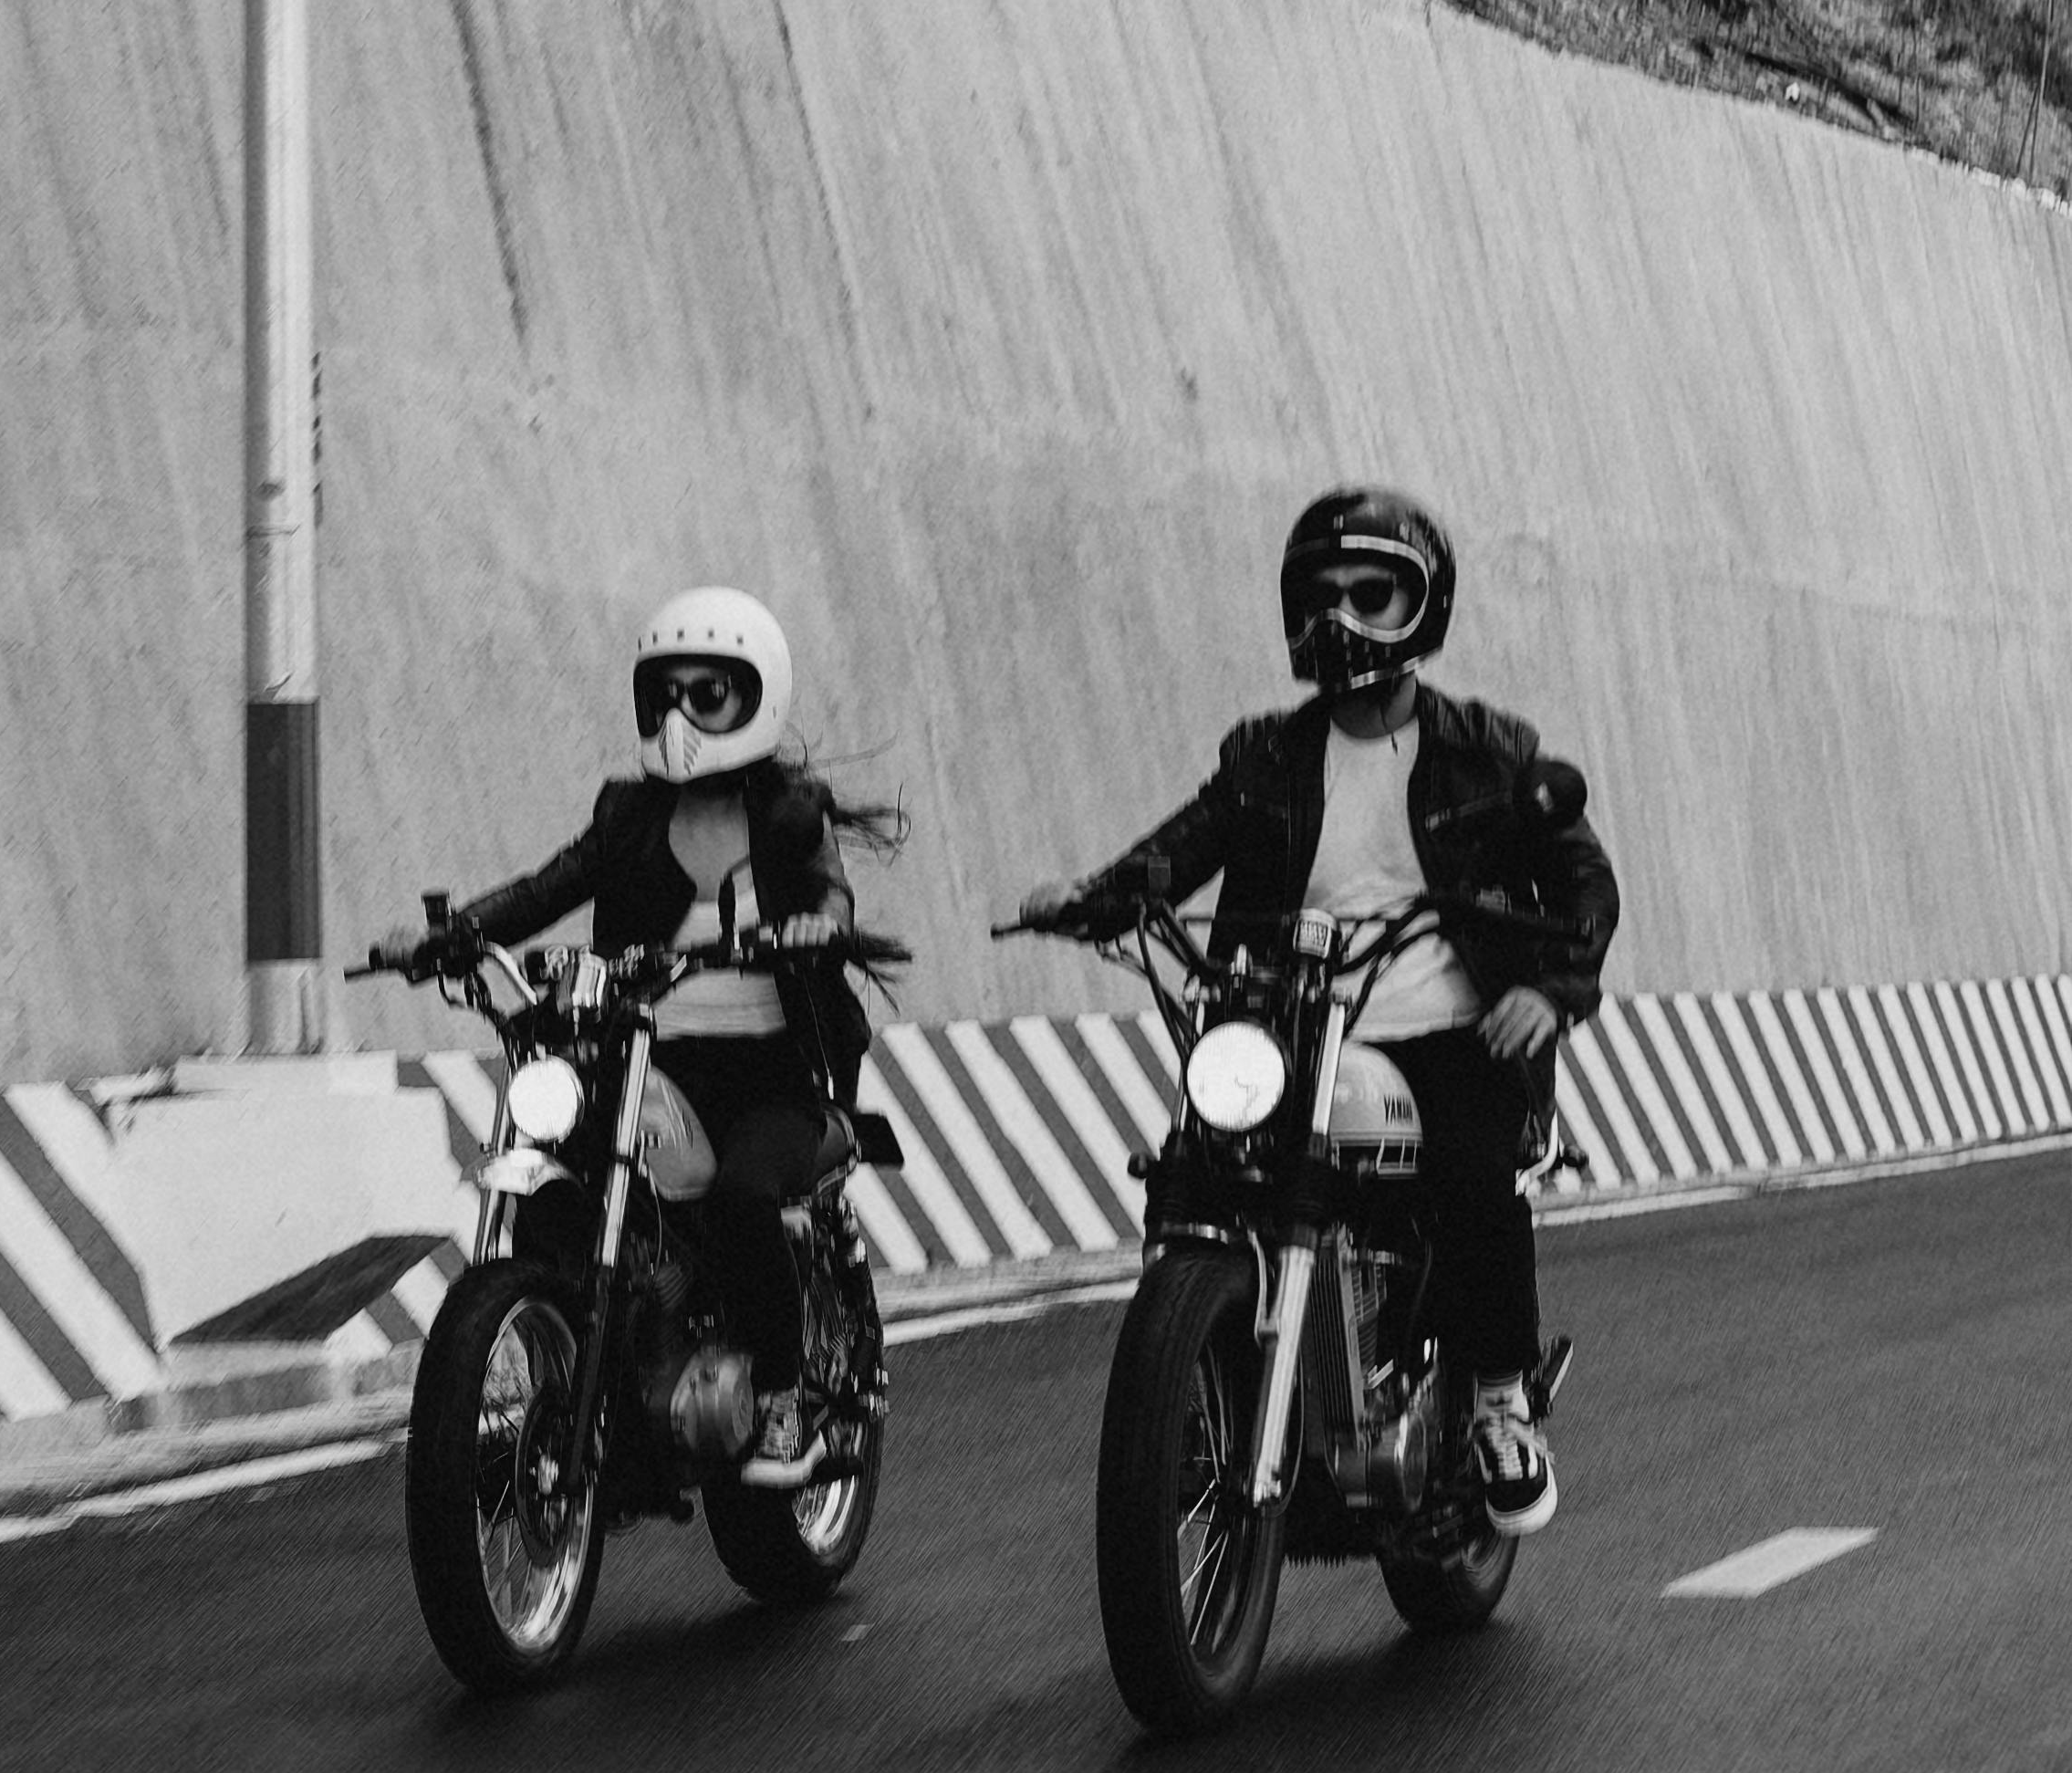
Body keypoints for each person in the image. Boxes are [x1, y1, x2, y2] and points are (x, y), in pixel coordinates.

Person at [1026, 489, 1619, 1528]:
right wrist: (1099, 896)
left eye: (1371, 595)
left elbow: (1581, 885)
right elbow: (1185, 847)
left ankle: (1495, 1402)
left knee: (1477, 1180)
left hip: (1447, 1025)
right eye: (1319, 598)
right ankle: (1186, 1398)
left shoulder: (1490, 750)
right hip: (1290, 1023)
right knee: (1197, 1167)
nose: (1337, 623)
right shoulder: (1264, 755)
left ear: (1422, 609)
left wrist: (1545, 990)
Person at [399, 589, 907, 1465]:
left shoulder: (791, 814)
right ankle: (566, 1378)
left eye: (706, 695)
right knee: (563, 1178)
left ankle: (782, 1394)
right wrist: (455, 935)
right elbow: (546, 888)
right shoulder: (627, 814)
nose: (679, 717)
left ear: (758, 699)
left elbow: (827, 888)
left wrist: (819, 923)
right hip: (647, 1061)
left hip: (769, 1077)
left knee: (745, 1199)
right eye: (663, 695)